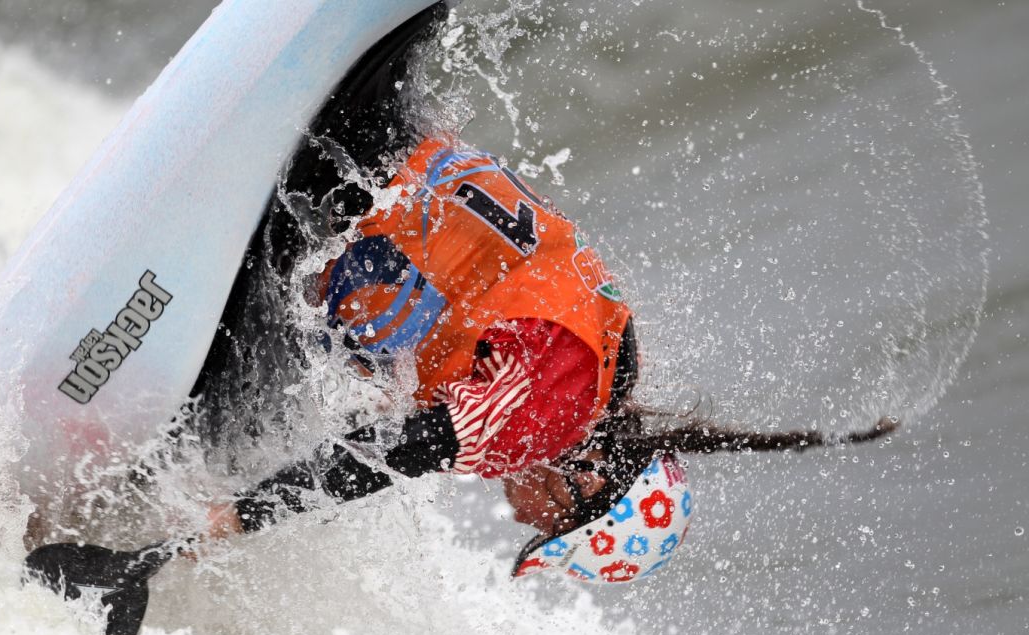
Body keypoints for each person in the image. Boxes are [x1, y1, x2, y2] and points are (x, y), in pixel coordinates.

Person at [181, 3, 897, 584]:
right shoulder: (541, 424)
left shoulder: (612, 366)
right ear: (583, 484)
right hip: (332, 181)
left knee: (271, 399)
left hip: (391, 132)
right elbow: (400, 449)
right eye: (552, 529)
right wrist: (233, 521)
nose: (526, 525)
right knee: (204, 426)